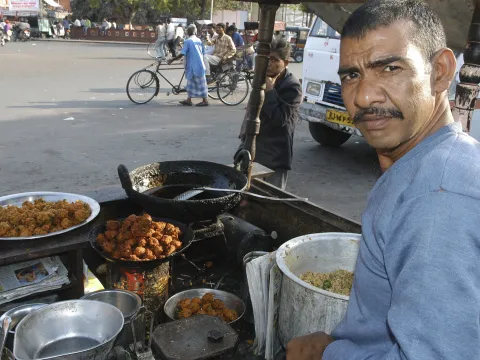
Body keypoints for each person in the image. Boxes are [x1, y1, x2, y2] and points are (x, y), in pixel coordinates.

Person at [286, 0, 480, 359]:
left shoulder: (438, 198)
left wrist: (327, 355)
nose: (362, 97)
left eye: (390, 67)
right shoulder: (436, 162)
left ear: (440, 71)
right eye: (351, 75)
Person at [237, 38, 301, 190]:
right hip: (253, 149)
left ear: (286, 63)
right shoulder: (262, 77)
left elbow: (280, 119)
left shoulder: (292, 87)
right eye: (267, 59)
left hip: (274, 157)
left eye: (275, 60)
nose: (270, 64)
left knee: (271, 203)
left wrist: (270, 91)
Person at [168, 24, 209, 107]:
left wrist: (172, 60)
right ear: (195, 32)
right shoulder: (199, 40)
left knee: (200, 83)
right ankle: (188, 100)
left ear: (188, 32)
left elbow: (182, 53)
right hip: (199, 64)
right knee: (191, 83)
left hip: (193, 65)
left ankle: (205, 100)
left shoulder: (188, 41)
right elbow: (203, 52)